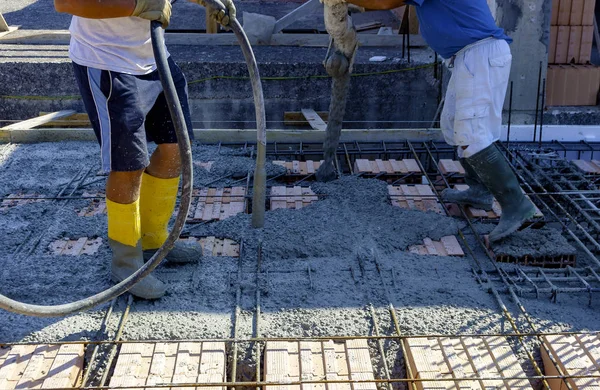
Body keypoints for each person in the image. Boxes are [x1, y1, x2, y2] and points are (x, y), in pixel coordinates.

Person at [53, 0, 236, 299]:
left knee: (176, 148)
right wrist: (138, 6)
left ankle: (154, 238)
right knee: (128, 165)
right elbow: (67, 3)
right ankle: (126, 264)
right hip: (106, 61)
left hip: (153, 56)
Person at [347, 0, 536, 242]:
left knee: (472, 135)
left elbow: (385, 2)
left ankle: (516, 205)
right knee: (453, 127)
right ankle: (479, 190)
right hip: (468, 56)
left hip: (481, 55)